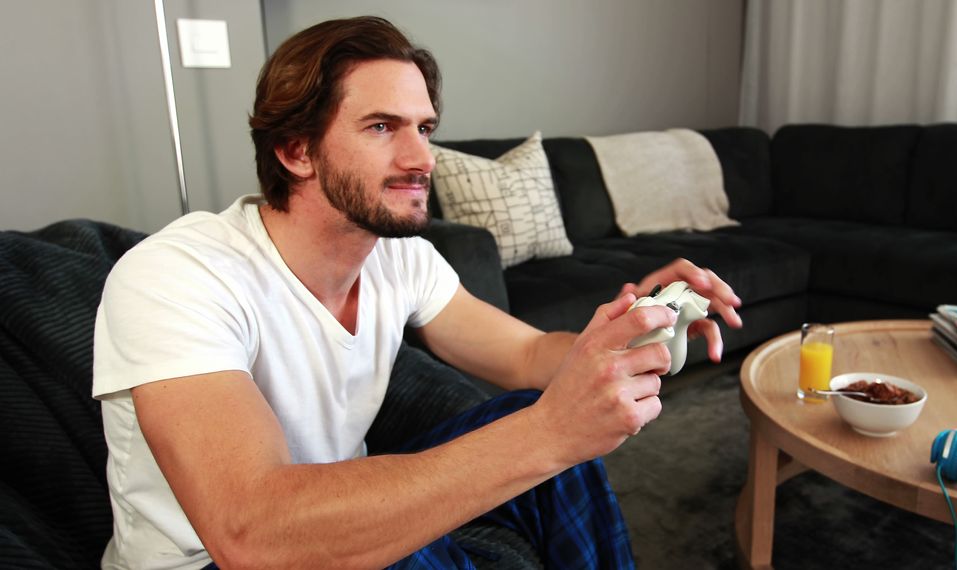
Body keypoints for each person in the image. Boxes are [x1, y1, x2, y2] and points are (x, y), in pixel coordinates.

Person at [92, 16, 742, 570]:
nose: (422, 158)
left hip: (325, 508)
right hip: (215, 558)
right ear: (296, 151)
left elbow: (531, 354)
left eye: (424, 128)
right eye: (382, 127)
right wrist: (550, 432)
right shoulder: (177, 276)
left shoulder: (402, 261)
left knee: (522, 414)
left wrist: (640, 326)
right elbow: (249, 532)